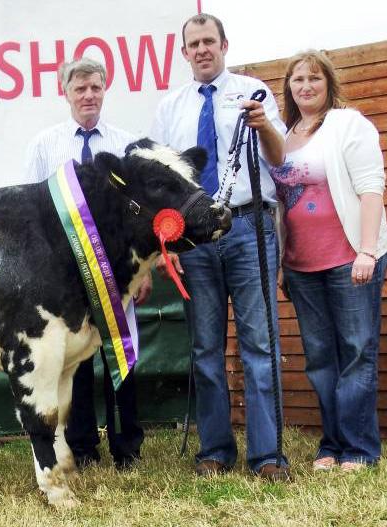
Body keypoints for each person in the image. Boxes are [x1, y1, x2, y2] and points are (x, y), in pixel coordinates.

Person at [149, 13, 291, 481]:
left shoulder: (254, 92)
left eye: (210, 41)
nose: (203, 49)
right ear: (184, 53)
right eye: (194, 43)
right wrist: (168, 246)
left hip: (249, 228)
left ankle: (268, 456)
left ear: (225, 45)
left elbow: (279, 157)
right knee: (206, 349)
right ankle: (215, 450)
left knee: (259, 345)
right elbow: (165, 182)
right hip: (193, 240)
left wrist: (264, 124)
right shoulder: (170, 107)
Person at [24, 57, 147, 469]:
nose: (88, 95)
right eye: (80, 89)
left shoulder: (128, 144)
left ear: (104, 89)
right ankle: (82, 447)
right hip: (64, 277)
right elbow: (31, 210)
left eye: (95, 87)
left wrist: (143, 271)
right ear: (66, 93)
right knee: (73, 359)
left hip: (118, 274)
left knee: (121, 352)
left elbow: (139, 215)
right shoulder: (45, 145)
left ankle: (127, 446)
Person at [272, 50, 387, 472]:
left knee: (357, 351)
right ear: (288, 87)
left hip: (350, 259)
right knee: (321, 357)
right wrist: (284, 262)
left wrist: (367, 249)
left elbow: (372, 188)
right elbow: (280, 206)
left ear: (329, 84)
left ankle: (359, 448)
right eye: (298, 79)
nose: (305, 86)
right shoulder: (284, 136)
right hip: (303, 265)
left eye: (314, 79)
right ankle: (332, 444)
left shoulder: (348, 124)